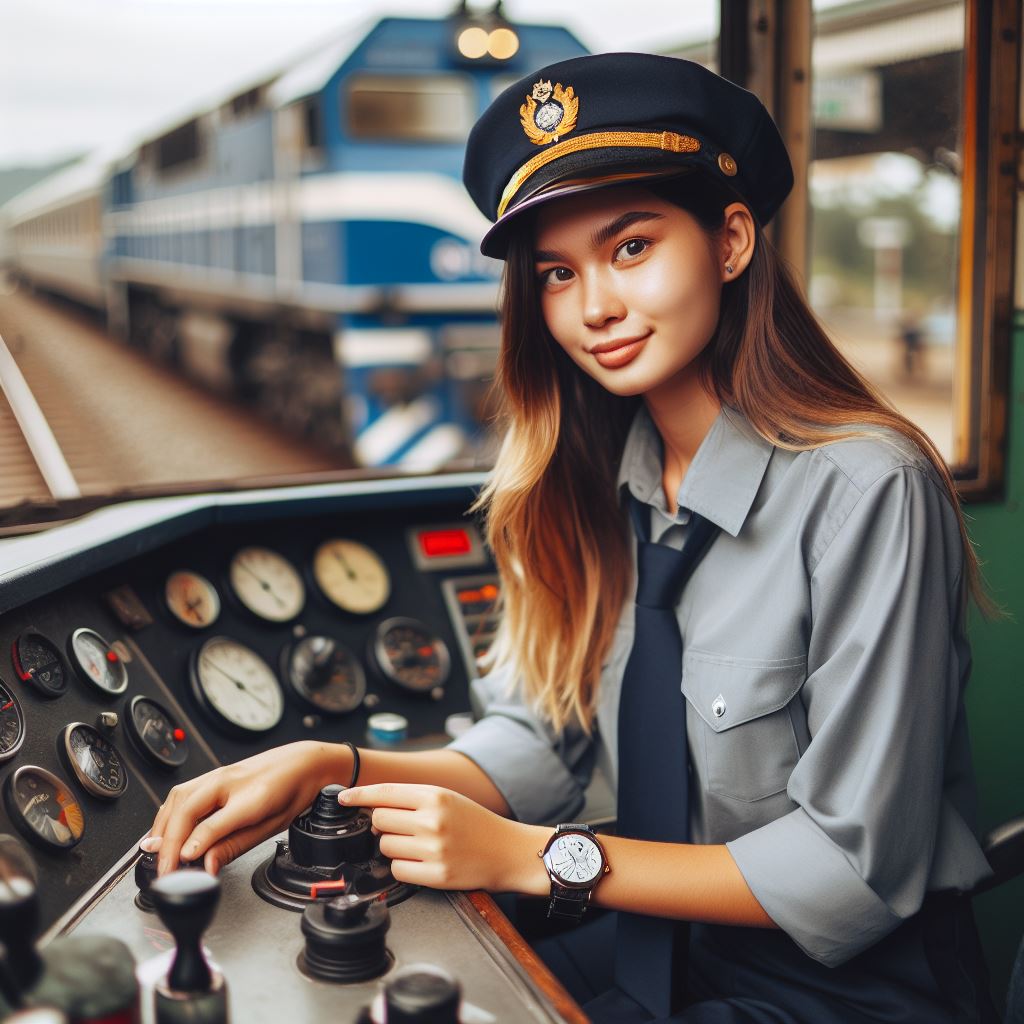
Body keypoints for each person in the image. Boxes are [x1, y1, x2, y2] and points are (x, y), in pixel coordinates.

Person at [145, 53, 998, 1022]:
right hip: (671, 941)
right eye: (557, 272)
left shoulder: (867, 488)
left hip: (846, 991)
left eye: (630, 247)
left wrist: (535, 858)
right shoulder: (593, 482)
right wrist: (333, 767)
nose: (592, 306)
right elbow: (543, 743)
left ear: (728, 240)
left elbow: (850, 863)